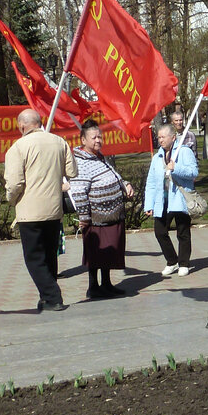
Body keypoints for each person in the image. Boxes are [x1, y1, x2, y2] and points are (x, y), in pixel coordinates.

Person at [5, 109, 77, 311]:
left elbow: (14, 183)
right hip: (54, 209)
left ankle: (53, 297)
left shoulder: (18, 147)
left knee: (34, 258)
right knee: (49, 255)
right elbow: (72, 171)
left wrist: (11, 199)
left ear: (21, 126)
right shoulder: (59, 142)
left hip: (30, 211)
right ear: (40, 122)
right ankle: (46, 297)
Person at [69, 120, 134, 299]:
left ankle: (106, 283)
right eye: (94, 137)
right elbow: (79, 191)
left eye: (100, 136)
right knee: (96, 253)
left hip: (112, 215)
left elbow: (113, 174)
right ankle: (94, 287)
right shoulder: (81, 162)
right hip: (96, 218)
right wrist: (84, 217)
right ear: (83, 140)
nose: (98, 140)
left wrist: (124, 184)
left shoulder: (99, 156)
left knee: (108, 252)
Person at [144, 123, 198, 277]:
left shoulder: (184, 152)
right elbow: (151, 182)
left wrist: (176, 168)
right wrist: (149, 204)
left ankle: (184, 263)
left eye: (163, 137)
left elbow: (194, 172)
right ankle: (172, 261)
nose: (160, 140)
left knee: (183, 232)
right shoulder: (157, 157)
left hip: (180, 199)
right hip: (163, 200)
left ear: (173, 137)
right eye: (158, 137)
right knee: (160, 231)